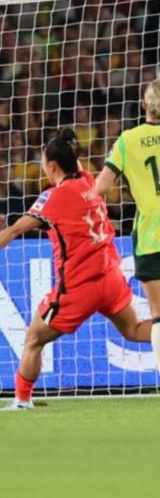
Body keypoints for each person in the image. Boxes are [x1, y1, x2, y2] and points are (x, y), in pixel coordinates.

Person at [0, 128, 157, 411]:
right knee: (135, 330)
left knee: (34, 338)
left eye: (44, 161)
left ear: (52, 166)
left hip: (79, 287)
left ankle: (22, 400)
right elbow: (75, 165)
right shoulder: (89, 180)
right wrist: (64, 142)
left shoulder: (52, 198)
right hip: (111, 277)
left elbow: (16, 229)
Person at [94, 79, 160, 369]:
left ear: (144, 105)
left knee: (158, 316)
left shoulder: (127, 140)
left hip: (150, 237)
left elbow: (100, 187)